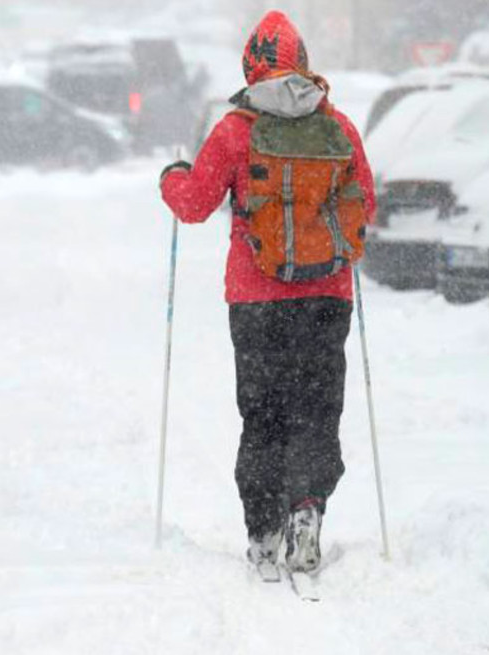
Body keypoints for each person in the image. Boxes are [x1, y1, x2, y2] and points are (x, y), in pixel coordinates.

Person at [158, 11, 375, 578]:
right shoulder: (340, 127)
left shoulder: (236, 130)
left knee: (264, 414)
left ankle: (263, 533)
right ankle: (308, 511)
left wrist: (170, 177)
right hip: (327, 296)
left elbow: (194, 203)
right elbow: (366, 206)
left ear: (252, 66)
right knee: (317, 408)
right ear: (303, 63)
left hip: (256, 300)